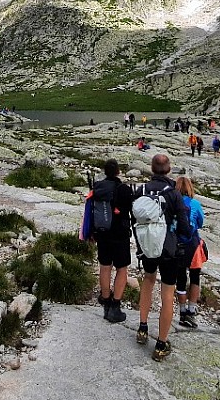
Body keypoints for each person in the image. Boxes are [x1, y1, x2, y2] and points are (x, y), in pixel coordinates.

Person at [133, 154, 190, 362]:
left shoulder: (142, 191)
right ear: (168, 169)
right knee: (168, 291)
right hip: (168, 249)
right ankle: (161, 343)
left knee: (148, 281)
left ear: (152, 169)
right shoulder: (174, 193)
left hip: (147, 246)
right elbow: (184, 227)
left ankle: (142, 328)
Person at [89, 160, 133, 324]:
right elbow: (130, 210)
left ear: (105, 172)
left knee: (105, 266)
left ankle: (105, 298)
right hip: (120, 234)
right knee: (122, 269)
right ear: (117, 172)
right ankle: (115, 305)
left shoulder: (98, 187)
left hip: (102, 233)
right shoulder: (123, 189)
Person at [175, 176, 205, 328]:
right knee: (194, 277)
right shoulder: (195, 204)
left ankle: (182, 312)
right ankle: (191, 311)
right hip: (193, 245)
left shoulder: (172, 202)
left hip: (176, 245)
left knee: (180, 278)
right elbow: (200, 222)